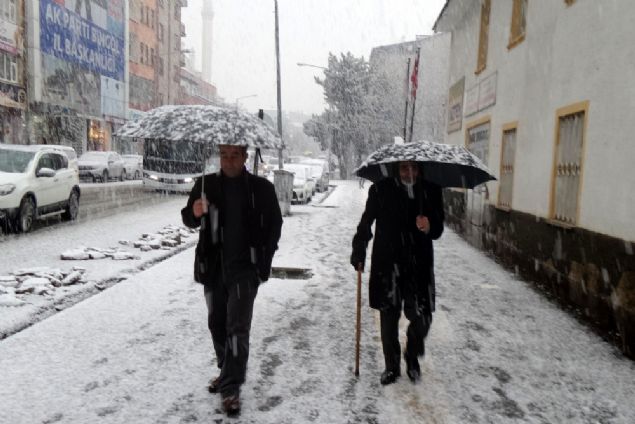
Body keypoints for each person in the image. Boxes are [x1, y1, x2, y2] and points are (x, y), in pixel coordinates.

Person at [181, 144, 282, 416]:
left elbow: (275, 225)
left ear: (244, 157)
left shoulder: (261, 189)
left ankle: (230, 389)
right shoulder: (206, 185)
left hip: (245, 270)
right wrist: (195, 211)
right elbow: (188, 219)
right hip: (213, 268)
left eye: (234, 155)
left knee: (237, 328)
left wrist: (263, 261)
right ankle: (226, 370)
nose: (228, 161)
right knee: (216, 324)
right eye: (223, 155)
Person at [350, 161, 444, 385]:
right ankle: (392, 367)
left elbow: (438, 228)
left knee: (423, 317)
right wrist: (359, 250)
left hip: (419, 266)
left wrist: (429, 225)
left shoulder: (430, 190)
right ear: (396, 169)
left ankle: (412, 355)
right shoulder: (380, 190)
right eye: (404, 168)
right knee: (388, 318)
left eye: (414, 168)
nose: (409, 172)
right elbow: (366, 223)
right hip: (388, 263)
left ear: (420, 169)